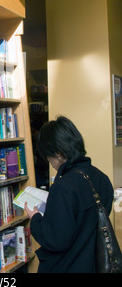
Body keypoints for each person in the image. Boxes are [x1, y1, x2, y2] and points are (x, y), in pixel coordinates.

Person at [25, 116, 114, 273]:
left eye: (48, 155)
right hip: (94, 264)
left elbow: (55, 240)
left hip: (67, 266)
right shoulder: (102, 178)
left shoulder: (63, 187)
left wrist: (36, 218)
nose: (49, 162)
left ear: (58, 153)